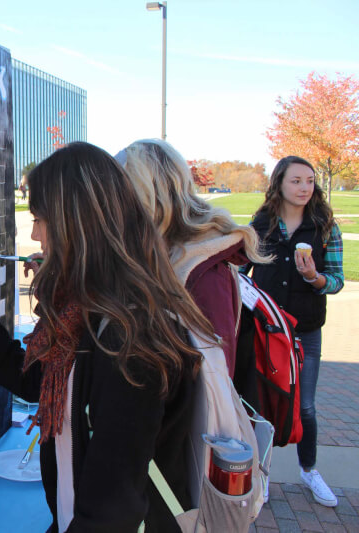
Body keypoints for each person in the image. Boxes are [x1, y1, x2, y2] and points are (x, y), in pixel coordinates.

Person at [0, 142, 215, 532]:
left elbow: (113, 509)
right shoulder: (84, 314)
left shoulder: (127, 340)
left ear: (76, 225)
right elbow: (34, 381)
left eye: (39, 219)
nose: (35, 235)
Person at [116, 139, 268, 377]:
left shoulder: (204, 268)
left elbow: (214, 380)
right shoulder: (156, 251)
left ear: (146, 192)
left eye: (120, 188)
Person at [243, 155, 344, 508]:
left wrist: (315, 278)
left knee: (306, 408)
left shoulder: (326, 227)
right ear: (280, 184)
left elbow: (336, 281)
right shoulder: (260, 225)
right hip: (266, 329)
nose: (305, 188)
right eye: (296, 181)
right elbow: (239, 271)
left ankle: (309, 470)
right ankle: (263, 473)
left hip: (306, 329)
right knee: (262, 404)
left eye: (310, 181)